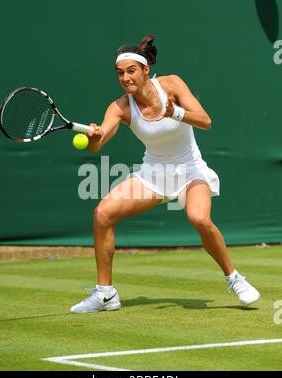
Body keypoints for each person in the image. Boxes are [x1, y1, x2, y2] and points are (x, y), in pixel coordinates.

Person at [70, 34, 260, 313]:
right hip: (153, 176)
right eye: (120, 73)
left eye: (131, 71)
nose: (125, 78)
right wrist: (93, 134)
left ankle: (234, 278)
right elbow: (97, 146)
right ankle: (106, 294)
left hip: (190, 169)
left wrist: (176, 113)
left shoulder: (171, 84)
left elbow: (206, 121)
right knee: (103, 214)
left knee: (198, 217)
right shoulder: (120, 108)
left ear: (146, 70)